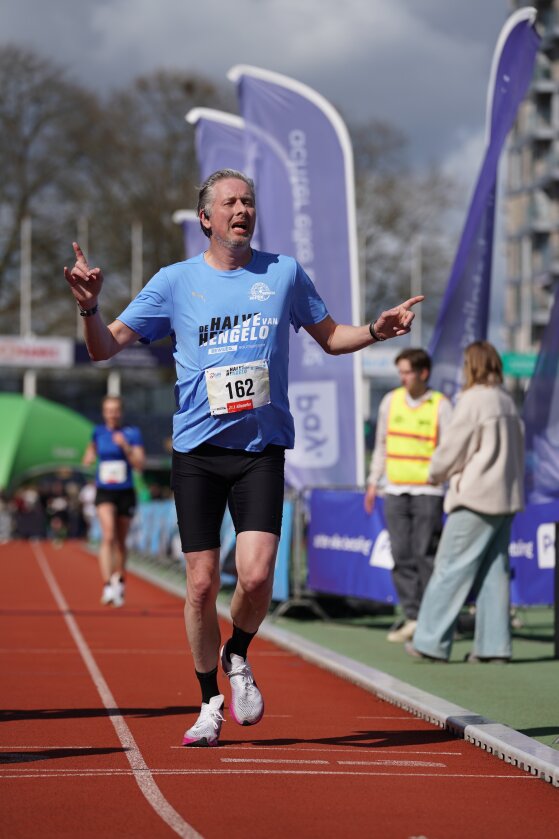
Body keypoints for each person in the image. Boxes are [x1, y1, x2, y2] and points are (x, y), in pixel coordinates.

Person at [64, 168, 423, 747]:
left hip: (260, 449)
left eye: (249, 202)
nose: (242, 210)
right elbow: (105, 349)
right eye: (230, 202)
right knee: (201, 585)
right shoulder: (175, 282)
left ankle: (237, 653)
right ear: (206, 217)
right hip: (197, 453)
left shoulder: (283, 273)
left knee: (256, 577)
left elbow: (332, 338)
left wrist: (377, 331)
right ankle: (209, 700)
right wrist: (88, 308)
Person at [405, 341, 524, 663]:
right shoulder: (506, 400)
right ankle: (494, 648)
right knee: (494, 576)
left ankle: (429, 643)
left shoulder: (473, 400)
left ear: (471, 365)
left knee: (449, 570)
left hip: (475, 498)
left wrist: (435, 472)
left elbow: (453, 447)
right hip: (505, 499)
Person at [364, 348, 452, 642]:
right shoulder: (390, 401)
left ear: (423, 373)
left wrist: (445, 483)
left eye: (407, 372)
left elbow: (451, 449)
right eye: (400, 372)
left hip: (429, 491)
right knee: (401, 555)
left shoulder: (441, 405)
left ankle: (432, 618)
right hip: (395, 490)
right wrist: (373, 482)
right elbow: (381, 444)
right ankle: (413, 616)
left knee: (426, 555)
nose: (402, 377)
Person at [82, 395, 145, 607]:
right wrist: (88, 456)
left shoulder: (132, 433)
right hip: (104, 491)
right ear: (104, 413)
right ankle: (108, 584)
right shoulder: (98, 432)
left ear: (121, 412)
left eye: (116, 410)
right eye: (109, 410)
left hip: (125, 491)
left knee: (120, 541)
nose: (112, 414)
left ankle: (120, 579)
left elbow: (139, 464)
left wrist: (126, 447)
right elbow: (90, 450)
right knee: (108, 535)